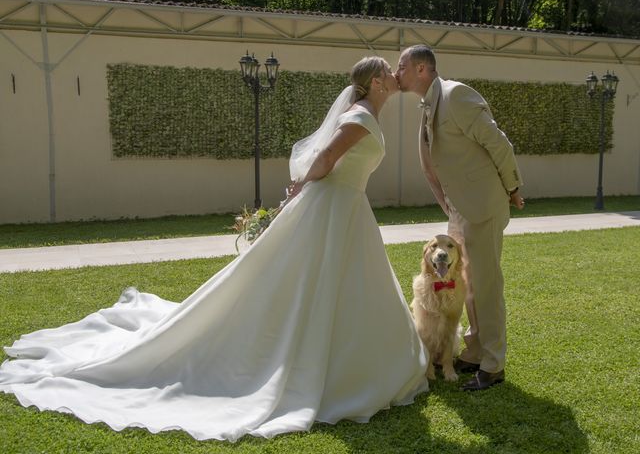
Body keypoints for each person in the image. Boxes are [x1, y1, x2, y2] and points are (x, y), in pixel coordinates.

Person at [0, 57, 429, 441]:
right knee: (304, 287)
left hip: (348, 211)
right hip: (332, 209)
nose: (395, 76)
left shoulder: (369, 114)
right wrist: (301, 188)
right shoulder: (359, 117)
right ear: (375, 81)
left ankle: (356, 361)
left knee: (341, 287)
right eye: (389, 72)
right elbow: (326, 159)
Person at [395, 45, 525, 391]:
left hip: (482, 206)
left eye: (402, 66)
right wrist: (449, 206)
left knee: (486, 285)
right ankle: (476, 351)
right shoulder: (427, 105)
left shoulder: (456, 96)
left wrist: (513, 186)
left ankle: (494, 365)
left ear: (422, 69)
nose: (397, 72)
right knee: (467, 287)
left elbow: (499, 144)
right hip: (460, 210)